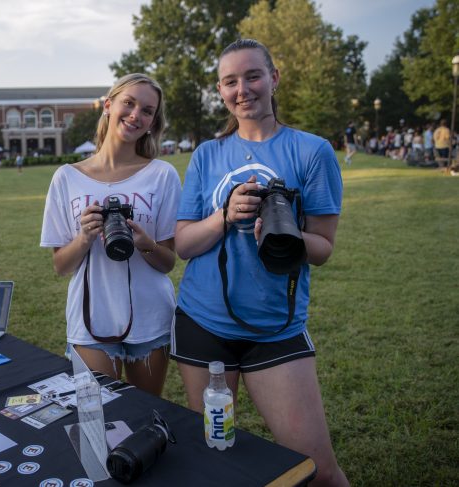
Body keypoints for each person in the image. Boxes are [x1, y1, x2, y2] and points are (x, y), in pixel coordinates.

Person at [172, 39, 348, 486]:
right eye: (230, 81)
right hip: (203, 325)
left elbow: (324, 248)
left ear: (274, 78)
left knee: (318, 471)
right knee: (217, 460)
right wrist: (224, 217)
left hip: (276, 328)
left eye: (252, 76)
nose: (242, 89)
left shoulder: (311, 151)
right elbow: (184, 244)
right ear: (220, 90)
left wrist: (284, 232)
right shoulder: (207, 154)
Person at [40, 73, 181, 396]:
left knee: (145, 411)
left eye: (147, 111)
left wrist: (145, 244)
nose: (136, 115)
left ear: (152, 122)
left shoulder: (162, 175)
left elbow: (168, 262)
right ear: (108, 105)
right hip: (91, 319)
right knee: (99, 418)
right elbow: (61, 266)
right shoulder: (67, 178)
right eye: (128, 103)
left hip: (151, 318)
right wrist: (84, 237)